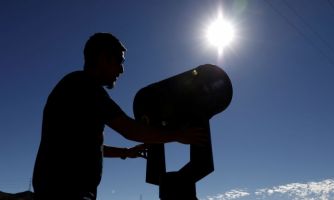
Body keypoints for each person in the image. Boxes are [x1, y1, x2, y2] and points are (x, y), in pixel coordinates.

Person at [32, 32, 207, 200]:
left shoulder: (73, 85)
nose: (122, 69)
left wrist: (126, 153)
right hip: (67, 191)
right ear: (102, 58)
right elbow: (129, 129)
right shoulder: (86, 88)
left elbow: (86, 145)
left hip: (59, 189)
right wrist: (179, 135)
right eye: (119, 61)